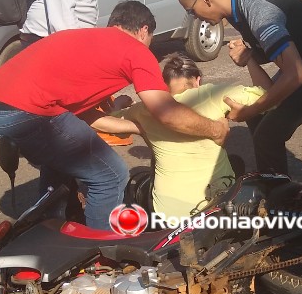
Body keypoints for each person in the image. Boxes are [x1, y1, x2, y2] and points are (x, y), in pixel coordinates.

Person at [0, 1, 230, 230]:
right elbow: (167, 113)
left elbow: (82, 117)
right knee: (111, 175)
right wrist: (215, 129)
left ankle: (49, 231)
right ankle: (100, 253)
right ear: (144, 30)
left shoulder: (86, 39)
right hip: (27, 113)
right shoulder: (136, 50)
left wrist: (136, 127)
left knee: (61, 163)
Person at [176, 0, 302, 175]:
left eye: (191, 11)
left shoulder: (255, 9)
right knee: (260, 115)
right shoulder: (235, 5)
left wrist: (250, 110)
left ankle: (277, 198)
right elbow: (272, 80)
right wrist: (249, 59)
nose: (195, 18)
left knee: (267, 134)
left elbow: (297, 74)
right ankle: (272, 179)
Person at [89, 53, 266, 218]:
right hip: (216, 205)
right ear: (197, 80)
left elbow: (105, 123)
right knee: (235, 167)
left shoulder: (144, 110)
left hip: (168, 213)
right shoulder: (216, 94)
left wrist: (119, 106)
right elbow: (269, 95)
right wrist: (249, 59)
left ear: (164, 84)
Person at [23, 0, 129, 145]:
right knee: (68, 139)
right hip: (54, 46)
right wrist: (81, 70)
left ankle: (62, 179)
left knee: (70, 143)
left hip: (69, 44)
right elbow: (62, 20)